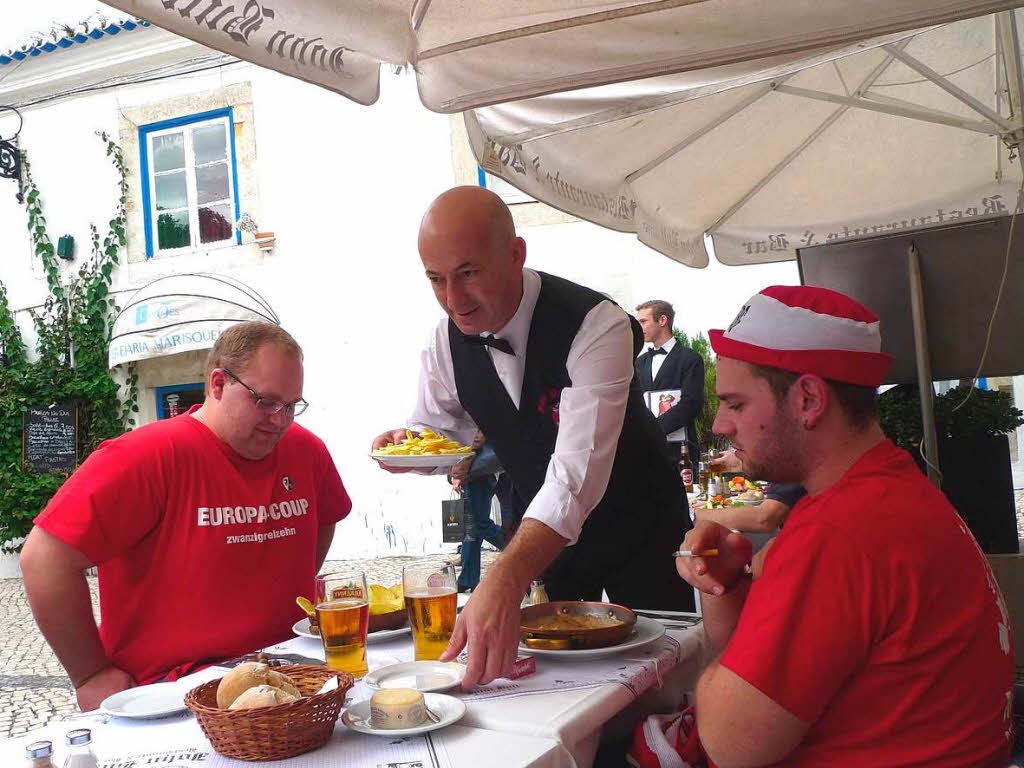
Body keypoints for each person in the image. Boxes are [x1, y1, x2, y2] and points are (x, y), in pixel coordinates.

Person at [675, 285, 1014, 767]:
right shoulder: (891, 490)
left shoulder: (840, 532)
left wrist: (714, 671)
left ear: (809, 399)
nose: (720, 426)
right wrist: (726, 586)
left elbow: (729, 745)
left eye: (736, 404)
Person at [372, 186, 692, 688]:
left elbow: (574, 478)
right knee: (559, 681)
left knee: (660, 674)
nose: (453, 300)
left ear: (516, 254)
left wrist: (504, 575)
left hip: (641, 522)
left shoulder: (597, 324)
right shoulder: (444, 339)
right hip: (550, 542)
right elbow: (441, 430)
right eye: (436, 280)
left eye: (468, 273)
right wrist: (409, 445)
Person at [20, 322, 351, 711]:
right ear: (218, 384)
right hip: (173, 692)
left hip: (289, 678)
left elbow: (326, 513)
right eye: (265, 401)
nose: (279, 420)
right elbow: (43, 558)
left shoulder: (306, 451)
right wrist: (90, 674)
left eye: (291, 406)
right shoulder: (145, 457)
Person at [635, 300, 704, 461]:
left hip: (682, 452)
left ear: (662, 320)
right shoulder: (640, 362)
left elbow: (691, 404)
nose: (640, 327)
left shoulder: (690, 358)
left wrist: (653, 430)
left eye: (644, 321)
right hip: (648, 453)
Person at [449, 432, 505, 592]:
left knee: (478, 525)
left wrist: (458, 471)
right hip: (483, 469)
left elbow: (474, 437)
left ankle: (522, 552)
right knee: (471, 526)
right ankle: (468, 578)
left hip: (476, 471)